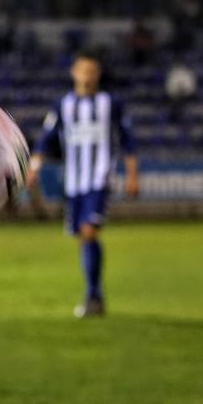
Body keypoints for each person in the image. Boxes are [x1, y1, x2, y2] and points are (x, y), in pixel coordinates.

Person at [26, 48, 139, 318]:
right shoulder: (63, 105)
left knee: (89, 231)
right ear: (74, 73)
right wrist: (34, 167)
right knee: (83, 239)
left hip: (99, 178)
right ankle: (95, 294)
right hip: (74, 182)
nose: (87, 76)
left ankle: (93, 297)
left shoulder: (111, 103)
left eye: (92, 71)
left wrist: (134, 174)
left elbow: (128, 141)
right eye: (83, 70)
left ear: (98, 75)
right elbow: (46, 139)